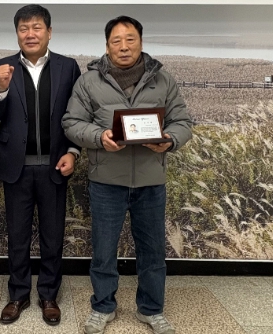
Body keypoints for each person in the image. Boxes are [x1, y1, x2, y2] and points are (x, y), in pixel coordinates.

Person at [62, 16, 192, 334]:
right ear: (107, 46)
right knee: (104, 250)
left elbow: (182, 122)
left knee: (152, 251)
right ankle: (102, 306)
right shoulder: (89, 82)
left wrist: (169, 140)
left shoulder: (163, 80)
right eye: (116, 41)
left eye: (130, 39)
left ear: (141, 42)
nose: (124, 46)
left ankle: (151, 309)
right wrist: (99, 137)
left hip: (151, 181)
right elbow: (71, 123)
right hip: (106, 181)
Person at [0, 4, 82, 326]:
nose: (30, 34)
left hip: (55, 166)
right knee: (18, 235)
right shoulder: (2, 67)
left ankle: (49, 295)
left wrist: (73, 151)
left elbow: (77, 115)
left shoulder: (68, 67)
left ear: (49, 32)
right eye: (23, 28)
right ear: (17, 34)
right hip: (17, 167)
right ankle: (18, 294)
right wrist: (0, 89)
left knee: (53, 236)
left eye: (37, 27)